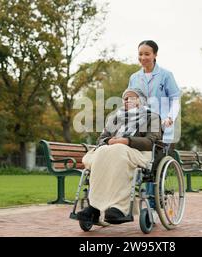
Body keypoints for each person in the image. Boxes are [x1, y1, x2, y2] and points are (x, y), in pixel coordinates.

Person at [77, 88, 162, 224]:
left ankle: (119, 208)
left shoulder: (153, 117)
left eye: (132, 97)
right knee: (101, 151)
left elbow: (151, 141)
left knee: (119, 151)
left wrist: (127, 141)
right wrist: (108, 141)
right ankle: (94, 207)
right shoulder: (115, 118)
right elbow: (102, 138)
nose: (128, 100)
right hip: (111, 151)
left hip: (138, 152)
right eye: (125, 98)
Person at [127, 40, 181, 210]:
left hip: (162, 129)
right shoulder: (134, 77)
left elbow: (175, 99)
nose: (143, 57)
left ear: (155, 55)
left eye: (147, 54)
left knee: (154, 167)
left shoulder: (166, 75)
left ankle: (152, 203)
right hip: (141, 128)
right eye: (140, 54)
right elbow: (130, 99)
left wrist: (170, 117)